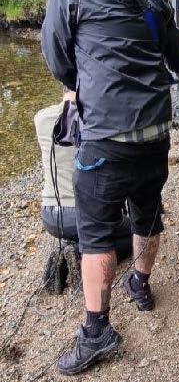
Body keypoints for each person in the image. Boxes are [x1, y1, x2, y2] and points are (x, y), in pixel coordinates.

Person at [41, 0, 179, 375]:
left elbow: (55, 53)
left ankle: (97, 333)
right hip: (155, 133)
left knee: (94, 232)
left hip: (105, 141)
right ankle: (140, 283)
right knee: (147, 211)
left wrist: (78, 85)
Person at [34, 89, 133, 294]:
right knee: (133, 232)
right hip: (85, 214)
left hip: (50, 216)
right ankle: (85, 255)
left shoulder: (41, 118)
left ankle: (76, 243)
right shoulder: (94, 118)